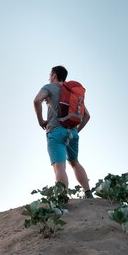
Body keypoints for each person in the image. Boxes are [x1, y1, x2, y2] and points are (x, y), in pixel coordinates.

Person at [33, 65, 94, 199]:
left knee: (59, 166)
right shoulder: (71, 92)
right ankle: (88, 193)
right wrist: (76, 130)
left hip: (55, 131)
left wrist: (41, 121)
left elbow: (37, 100)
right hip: (72, 132)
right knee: (75, 162)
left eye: (50, 74)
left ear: (54, 75)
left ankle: (62, 197)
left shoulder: (49, 87)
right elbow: (87, 116)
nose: (49, 77)